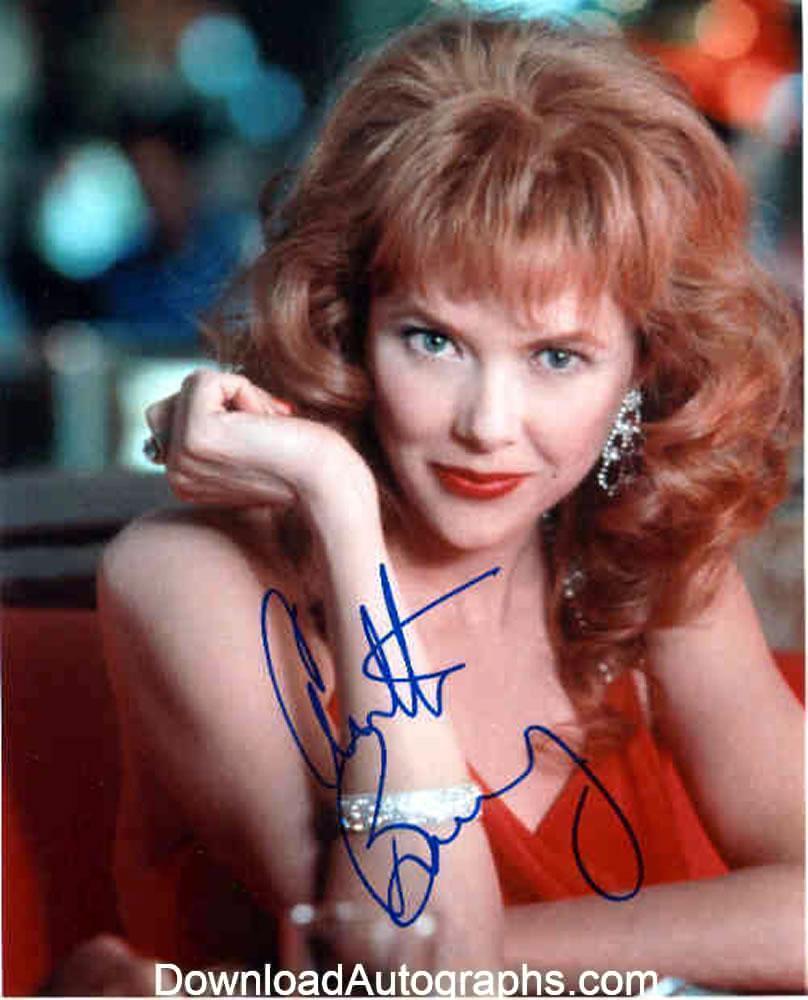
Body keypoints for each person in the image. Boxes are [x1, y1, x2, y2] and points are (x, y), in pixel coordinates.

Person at [98, 13, 804, 992]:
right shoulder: (188, 578)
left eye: (557, 356)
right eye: (432, 340)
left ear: (642, 368)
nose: (487, 424)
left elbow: (421, 959)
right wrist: (343, 510)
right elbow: (407, 943)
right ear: (349, 325)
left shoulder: (641, 553)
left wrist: (485, 952)